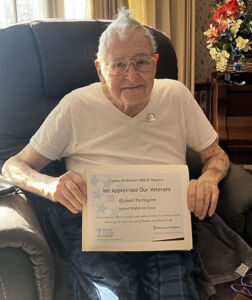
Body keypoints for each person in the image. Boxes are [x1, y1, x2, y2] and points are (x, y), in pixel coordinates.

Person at [2, 8, 230, 300]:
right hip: (98, 234)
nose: (131, 75)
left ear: (155, 63)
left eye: (141, 62)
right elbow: (13, 166)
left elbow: (216, 155)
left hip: (165, 230)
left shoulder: (176, 96)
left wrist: (209, 179)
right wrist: (50, 185)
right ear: (100, 68)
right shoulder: (76, 106)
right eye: (118, 65)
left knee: (177, 294)